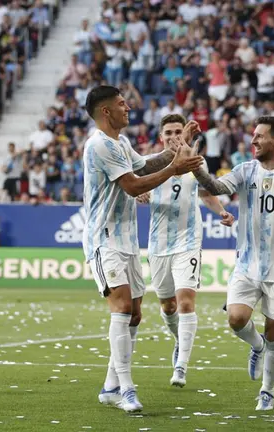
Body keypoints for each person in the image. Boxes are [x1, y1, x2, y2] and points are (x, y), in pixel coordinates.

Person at [190, 116, 274, 410]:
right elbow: (215, 187)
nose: (253, 140)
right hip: (247, 263)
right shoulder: (245, 170)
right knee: (236, 318)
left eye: (259, 136)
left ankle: (267, 391)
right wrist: (196, 168)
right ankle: (257, 345)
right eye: (253, 135)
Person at [82, 85, 203, 413]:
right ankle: (126, 389)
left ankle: (110, 386)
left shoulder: (121, 142)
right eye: (122, 104)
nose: (128, 108)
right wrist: (174, 169)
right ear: (106, 111)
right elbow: (133, 184)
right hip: (104, 238)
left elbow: (146, 165)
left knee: (134, 313)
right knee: (121, 307)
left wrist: (178, 147)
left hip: (127, 240)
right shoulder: (99, 145)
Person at [135, 114, 234, 388]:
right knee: (168, 307)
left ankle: (181, 366)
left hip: (188, 240)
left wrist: (221, 211)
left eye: (178, 131)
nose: (173, 136)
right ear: (161, 137)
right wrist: (139, 194)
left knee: (186, 303)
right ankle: (180, 340)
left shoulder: (195, 162)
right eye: (168, 132)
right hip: (158, 244)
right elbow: (131, 186)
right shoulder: (150, 163)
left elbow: (206, 193)